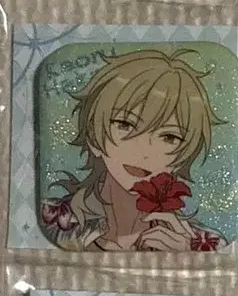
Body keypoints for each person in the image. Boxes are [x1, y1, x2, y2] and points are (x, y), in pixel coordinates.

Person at [40, 49, 226, 251]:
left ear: (183, 156)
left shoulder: (202, 244)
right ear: (94, 136)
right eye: (125, 125)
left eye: (169, 137)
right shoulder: (51, 221)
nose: (143, 152)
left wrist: (184, 259)